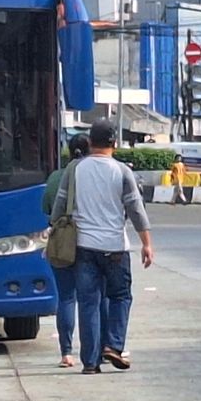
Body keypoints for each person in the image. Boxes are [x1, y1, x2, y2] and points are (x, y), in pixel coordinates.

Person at [49, 120, 154, 374]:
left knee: (88, 302)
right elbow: (136, 210)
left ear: (90, 143)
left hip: (83, 247)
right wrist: (146, 244)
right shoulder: (122, 171)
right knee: (119, 296)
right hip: (115, 247)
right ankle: (114, 346)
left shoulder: (74, 170)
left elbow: (58, 209)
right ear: (114, 144)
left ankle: (90, 362)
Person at [43, 134, 90, 368]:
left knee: (66, 298)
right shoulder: (94, 175)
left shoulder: (55, 177)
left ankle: (66, 353)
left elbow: (46, 207)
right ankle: (95, 351)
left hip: (62, 241)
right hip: (90, 242)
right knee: (92, 299)